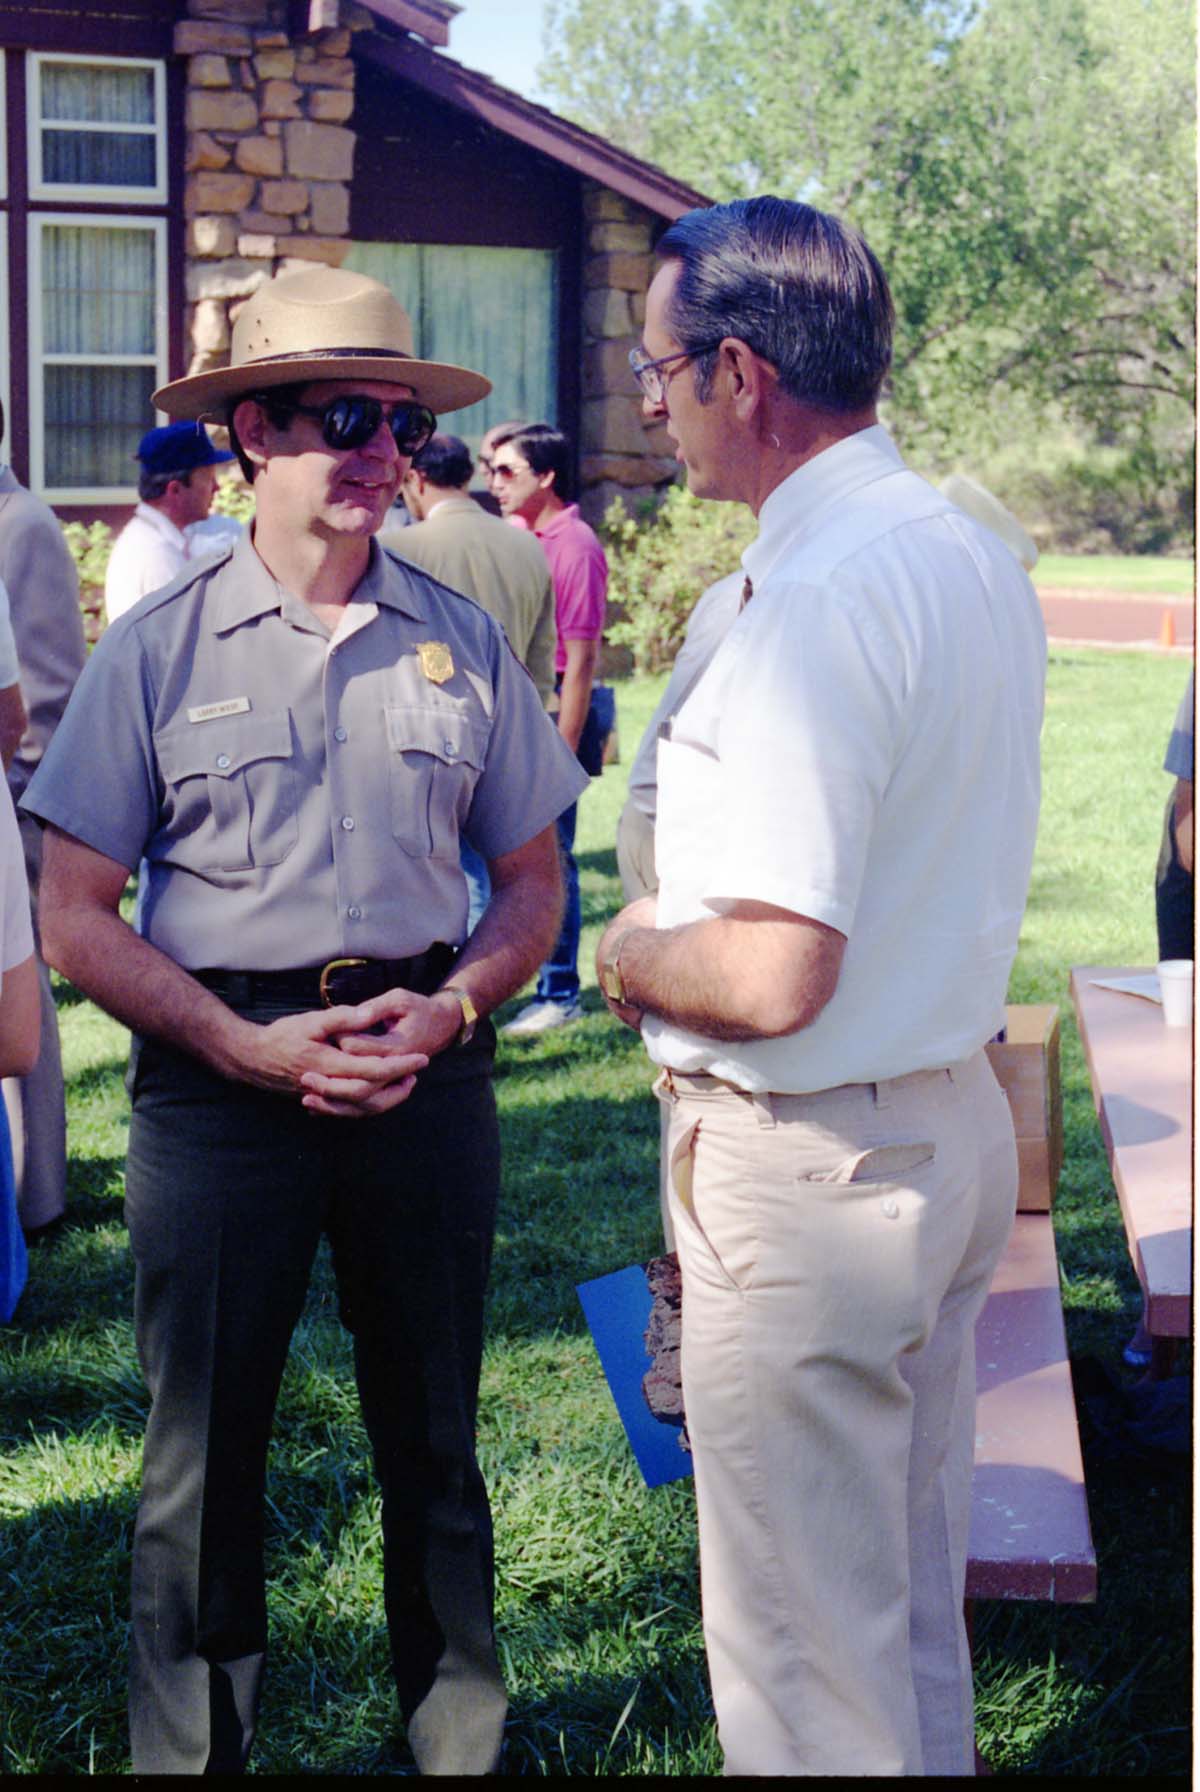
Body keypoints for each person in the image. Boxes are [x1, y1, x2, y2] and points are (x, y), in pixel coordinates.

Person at [22, 264, 586, 1776]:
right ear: (252, 436)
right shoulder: (157, 646)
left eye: (396, 422)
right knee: (200, 1462)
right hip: (220, 1087)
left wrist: (456, 1007)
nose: (379, 451)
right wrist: (234, 1043)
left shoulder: (456, 638)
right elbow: (74, 911)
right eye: (343, 419)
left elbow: (533, 880)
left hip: (423, 1069)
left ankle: (458, 1745)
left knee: (436, 1441)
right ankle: (192, 1752)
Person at [594, 197, 1045, 1776]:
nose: (650, 406)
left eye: (659, 372)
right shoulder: (960, 549)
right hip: (933, 1128)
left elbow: (778, 969)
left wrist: (624, 955)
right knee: (898, 1603)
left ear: (740, 372)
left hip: (814, 1171)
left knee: (802, 1666)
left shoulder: (821, 595)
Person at [383, 432, 558, 929]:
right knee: (509, 881)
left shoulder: (396, 548)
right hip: (514, 731)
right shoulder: (527, 545)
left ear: (416, 479)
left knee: (457, 884)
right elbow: (542, 656)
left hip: (425, 743)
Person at [489, 423, 609, 1035]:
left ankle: (560, 993)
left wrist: (561, 755)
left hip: (557, 709)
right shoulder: (520, 537)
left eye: (507, 471)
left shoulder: (575, 545)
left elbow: (581, 661)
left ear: (547, 477)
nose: (494, 482)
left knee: (553, 856)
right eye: (490, 469)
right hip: (521, 706)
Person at [0, 407, 86, 1235]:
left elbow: (46, 681)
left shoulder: (19, 523)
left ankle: (37, 1192)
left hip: (16, 792)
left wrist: (22, 794)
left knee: (20, 996)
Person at [103, 421, 234, 623]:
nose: (217, 488)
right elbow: (187, 635)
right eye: (209, 479)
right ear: (175, 490)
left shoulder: (152, 538)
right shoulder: (156, 554)